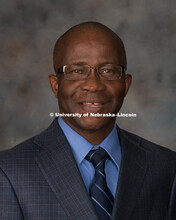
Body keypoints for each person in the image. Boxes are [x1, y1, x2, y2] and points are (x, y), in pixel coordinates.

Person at [0, 22, 176, 220]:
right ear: (55, 85)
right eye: (77, 71)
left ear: (125, 85)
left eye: (108, 71)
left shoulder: (167, 167)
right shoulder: (8, 172)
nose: (93, 85)